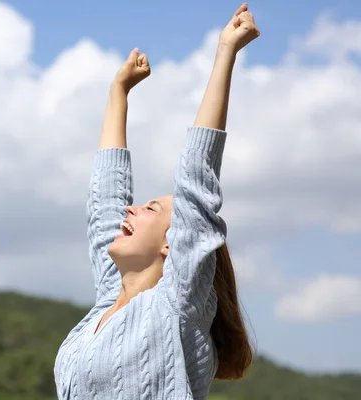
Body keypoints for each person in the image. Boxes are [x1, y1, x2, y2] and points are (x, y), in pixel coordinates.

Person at [54, 4, 260, 399]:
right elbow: (105, 203)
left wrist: (225, 53)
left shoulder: (178, 304)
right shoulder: (105, 305)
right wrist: (118, 92)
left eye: (149, 209)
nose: (130, 209)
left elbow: (196, 183)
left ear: (173, 244)